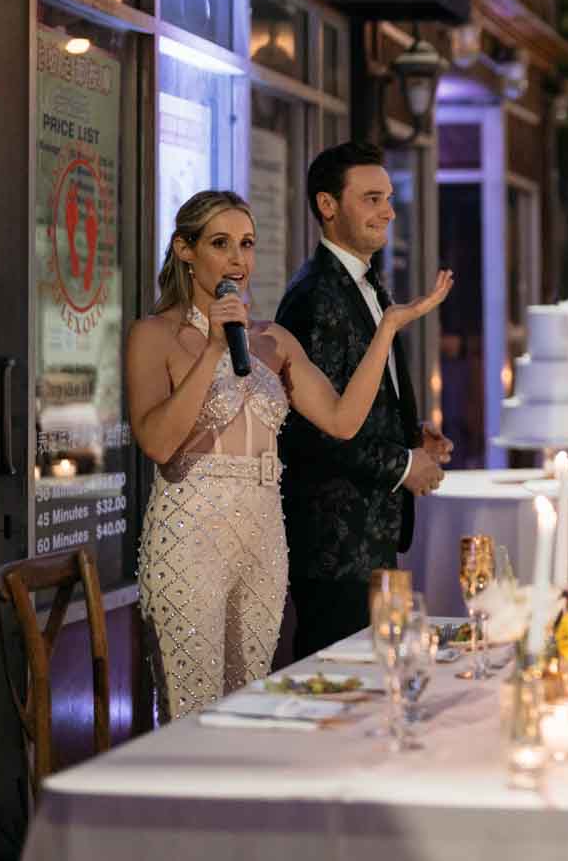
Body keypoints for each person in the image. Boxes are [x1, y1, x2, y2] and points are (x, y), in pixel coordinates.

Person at [127, 190, 450, 720]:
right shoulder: (154, 334)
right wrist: (213, 349)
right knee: (195, 710)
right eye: (220, 244)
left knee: (250, 705)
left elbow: (342, 421)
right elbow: (158, 444)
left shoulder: (272, 340)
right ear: (185, 249)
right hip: (190, 535)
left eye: (247, 244)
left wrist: (386, 330)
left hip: (263, 538)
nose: (237, 259)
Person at [277, 143, 456, 660]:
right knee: (340, 682)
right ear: (327, 205)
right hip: (334, 542)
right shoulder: (316, 295)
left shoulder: (362, 282)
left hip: (368, 531)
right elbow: (311, 429)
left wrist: (411, 435)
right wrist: (403, 465)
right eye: (372, 199)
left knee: (376, 677)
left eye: (389, 198)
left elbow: (360, 398)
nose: (389, 212)